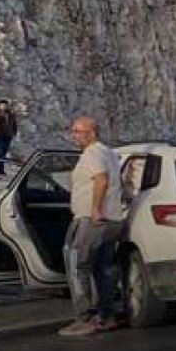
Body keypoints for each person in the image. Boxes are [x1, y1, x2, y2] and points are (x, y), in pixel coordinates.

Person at [57, 116, 125, 338]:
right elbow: (118, 183)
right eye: (73, 131)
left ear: (92, 132)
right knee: (103, 269)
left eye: (77, 131)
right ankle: (107, 316)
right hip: (113, 220)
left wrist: (95, 209)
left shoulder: (92, 153)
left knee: (79, 266)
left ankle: (84, 319)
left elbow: (101, 180)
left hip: (91, 219)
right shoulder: (109, 153)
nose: (73, 135)